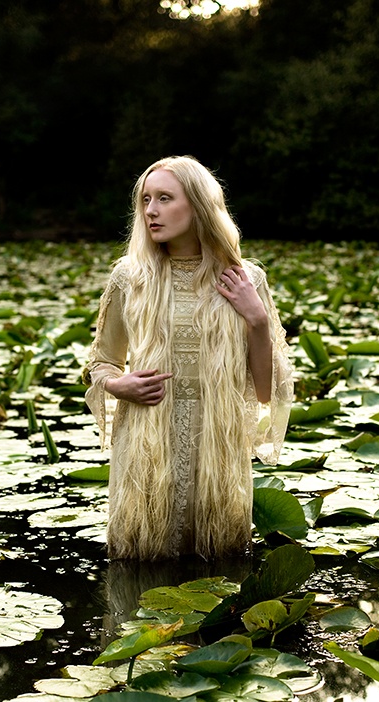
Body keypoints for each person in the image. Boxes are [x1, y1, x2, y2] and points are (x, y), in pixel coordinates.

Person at [84, 155, 293, 561]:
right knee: (143, 561)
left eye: (165, 198)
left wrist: (257, 320)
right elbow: (102, 362)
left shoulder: (245, 279)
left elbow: (266, 389)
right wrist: (116, 384)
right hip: (147, 439)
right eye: (145, 200)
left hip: (218, 442)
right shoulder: (130, 277)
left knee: (219, 561)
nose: (151, 211)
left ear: (198, 205)